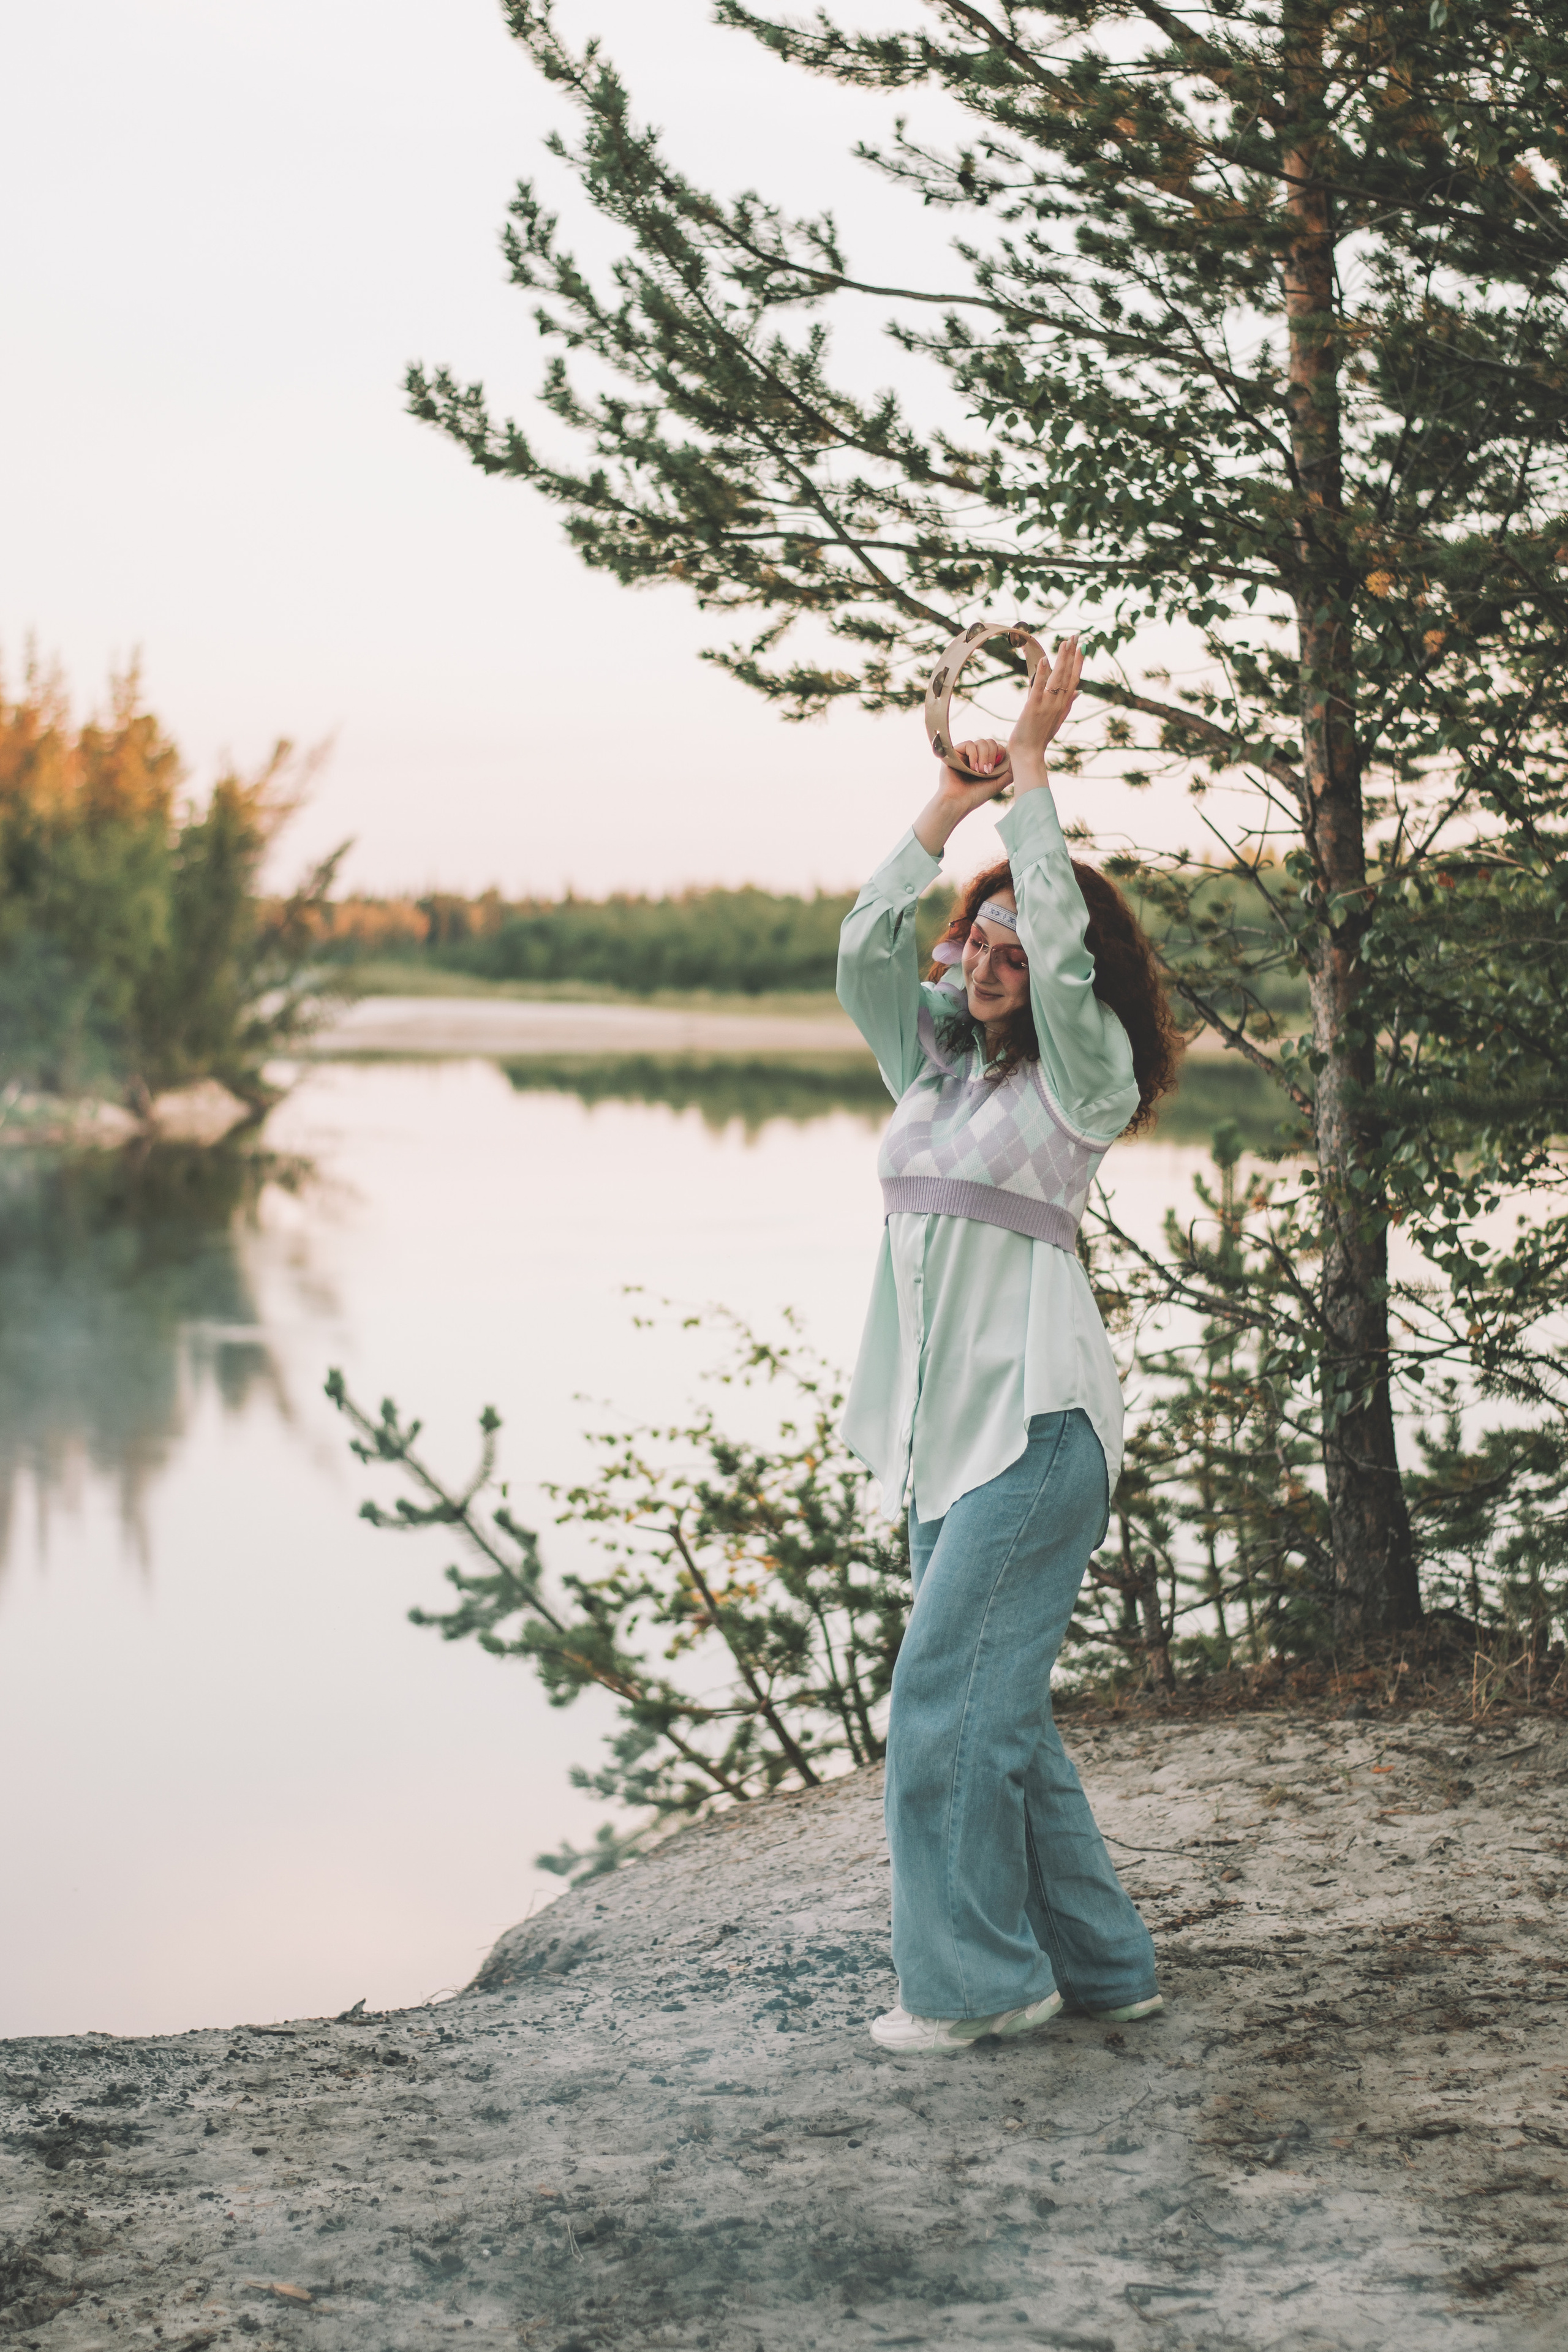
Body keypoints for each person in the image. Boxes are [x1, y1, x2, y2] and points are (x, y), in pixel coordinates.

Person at [837, 634, 1183, 2055]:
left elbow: (1054, 926)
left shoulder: (1077, 1088)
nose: (987, 955)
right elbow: (866, 941)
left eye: (1011, 944)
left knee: (937, 1714)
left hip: (1035, 1438)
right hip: (943, 1444)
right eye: (971, 938)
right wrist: (946, 805)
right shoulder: (925, 1080)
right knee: (1000, 1718)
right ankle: (1102, 1966)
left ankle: (976, 1987)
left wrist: (1031, 784)